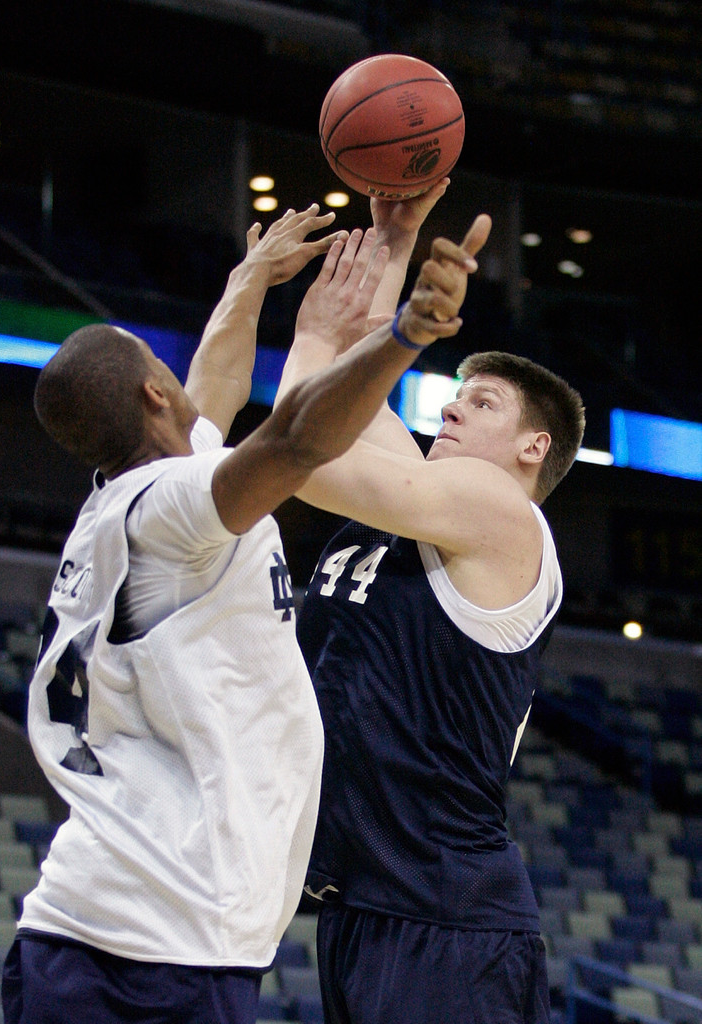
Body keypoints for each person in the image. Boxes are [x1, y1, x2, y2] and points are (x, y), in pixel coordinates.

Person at [2, 203, 472, 1024]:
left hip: (95, 925)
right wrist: (403, 338)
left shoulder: (128, 497)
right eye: (160, 363)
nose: (180, 378)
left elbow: (215, 386)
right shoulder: (177, 507)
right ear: (155, 389)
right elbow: (291, 441)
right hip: (161, 945)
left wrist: (250, 280)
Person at [275, 187, 586, 1024]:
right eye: (454, 392)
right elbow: (354, 397)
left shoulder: (499, 512)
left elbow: (298, 451)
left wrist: (310, 337)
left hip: (445, 922)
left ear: (534, 447)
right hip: (366, 906)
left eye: (481, 402)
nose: (449, 403)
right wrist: (394, 236)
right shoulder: (421, 504)